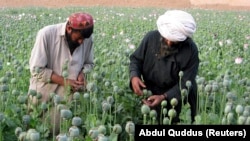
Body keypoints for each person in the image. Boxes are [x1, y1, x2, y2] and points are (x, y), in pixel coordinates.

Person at [28, 12, 94, 135]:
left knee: (63, 133)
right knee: (39, 132)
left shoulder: (87, 39)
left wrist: (82, 73)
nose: (81, 42)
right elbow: (36, 69)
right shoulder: (46, 35)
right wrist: (65, 82)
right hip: (44, 97)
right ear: (69, 29)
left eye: (84, 39)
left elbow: (89, 63)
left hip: (70, 99)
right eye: (79, 38)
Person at [129, 10, 199, 124]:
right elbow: (136, 59)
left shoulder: (191, 50)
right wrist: (134, 76)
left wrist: (165, 96)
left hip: (179, 97)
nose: (169, 43)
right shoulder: (150, 38)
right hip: (152, 94)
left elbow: (186, 81)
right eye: (167, 38)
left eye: (175, 41)